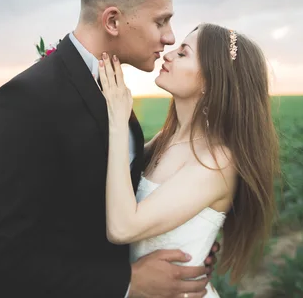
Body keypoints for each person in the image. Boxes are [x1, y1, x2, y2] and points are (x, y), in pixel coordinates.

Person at [0, 0, 220, 298]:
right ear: (112, 21)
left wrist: (189, 240)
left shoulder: (112, 89)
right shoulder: (27, 101)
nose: (169, 37)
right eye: (160, 21)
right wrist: (128, 282)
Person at [98, 23, 282, 297]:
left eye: (183, 53)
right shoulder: (166, 138)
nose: (168, 55)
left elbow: (123, 227)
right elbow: (113, 180)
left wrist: (116, 117)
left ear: (211, 80)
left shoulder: (216, 160)